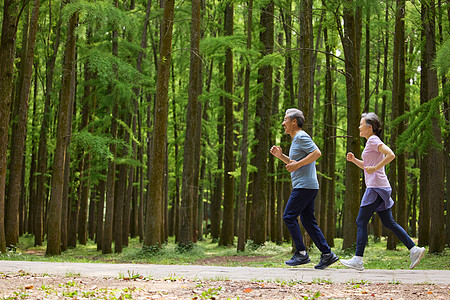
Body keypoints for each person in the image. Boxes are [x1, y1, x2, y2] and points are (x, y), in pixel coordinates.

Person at [340, 112, 426, 271]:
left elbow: (390, 154)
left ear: (369, 127)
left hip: (376, 188)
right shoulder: (370, 143)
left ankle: (358, 259)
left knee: (361, 221)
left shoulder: (373, 140)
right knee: (388, 222)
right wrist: (354, 161)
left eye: (361, 124)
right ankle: (414, 250)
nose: (359, 127)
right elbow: (368, 167)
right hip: (381, 186)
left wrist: (376, 167)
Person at [270, 108, 338, 269]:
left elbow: (317, 153)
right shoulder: (297, 140)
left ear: (294, 121)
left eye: (285, 119)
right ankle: (327, 254)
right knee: (308, 221)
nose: (283, 123)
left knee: (288, 216)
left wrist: (297, 164)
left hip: (304, 186)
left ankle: (301, 253)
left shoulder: (301, 136)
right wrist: (281, 156)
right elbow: (295, 164)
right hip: (308, 186)